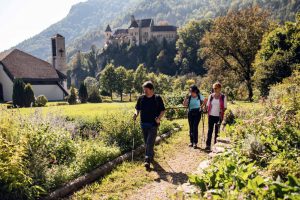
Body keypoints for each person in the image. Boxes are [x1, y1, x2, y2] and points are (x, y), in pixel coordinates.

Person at [133, 81, 166, 170]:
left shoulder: (157, 98)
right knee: (147, 142)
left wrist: (159, 118)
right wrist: (135, 114)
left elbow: (162, 110)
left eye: (146, 89)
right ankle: (151, 155)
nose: (145, 91)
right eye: (144, 89)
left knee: (149, 142)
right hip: (143, 123)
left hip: (153, 124)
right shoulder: (141, 98)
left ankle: (147, 159)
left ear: (151, 89)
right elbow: (137, 109)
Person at [205, 82, 227, 151]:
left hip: (219, 116)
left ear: (219, 88)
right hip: (211, 115)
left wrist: (222, 110)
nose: (214, 89)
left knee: (217, 132)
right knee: (210, 131)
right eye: (214, 88)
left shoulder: (223, 97)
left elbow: (225, 107)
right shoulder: (211, 96)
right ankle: (208, 145)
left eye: (216, 88)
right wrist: (205, 109)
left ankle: (215, 145)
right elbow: (208, 105)